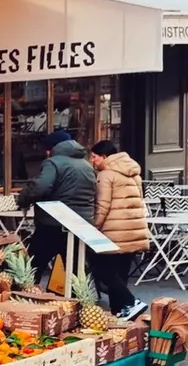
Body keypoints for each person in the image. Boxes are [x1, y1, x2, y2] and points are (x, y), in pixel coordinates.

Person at [16, 130, 97, 286]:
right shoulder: (86, 165)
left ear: (52, 148)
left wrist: (23, 199)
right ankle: (79, 298)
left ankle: (24, 295)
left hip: (54, 222)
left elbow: (39, 187)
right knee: (75, 268)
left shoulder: (53, 163)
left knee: (32, 265)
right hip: (81, 225)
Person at [89, 139, 149, 316]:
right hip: (134, 230)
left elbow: (102, 206)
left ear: (104, 156)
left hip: (114, 232)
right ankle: (120, 312)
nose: (92, 160)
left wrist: (94, 227)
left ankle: (131, 302)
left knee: (100, 268)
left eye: (94, 157)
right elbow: (139, 201)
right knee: (121, 274)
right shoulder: (134, 173)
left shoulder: (106, 175)